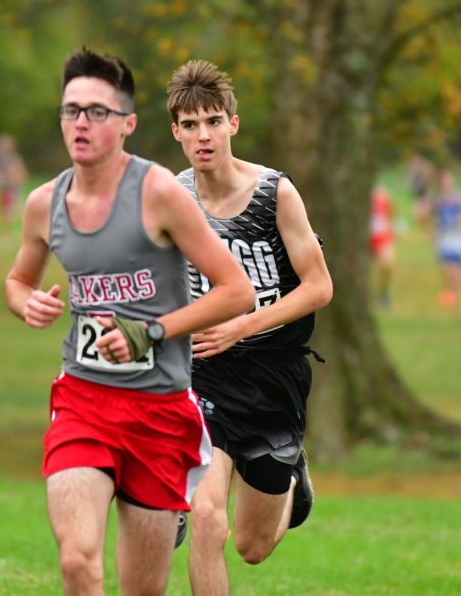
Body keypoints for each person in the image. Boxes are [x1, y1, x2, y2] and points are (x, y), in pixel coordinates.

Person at [4, 48, 254, 595]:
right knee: (77, 560)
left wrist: (153, 330)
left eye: (97, 111)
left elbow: (236, 290)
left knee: (143, 589)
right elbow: (18, 281)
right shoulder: (44, 203)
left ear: (127, 124)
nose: (81, 123)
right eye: (71, 111)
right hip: (83, 401)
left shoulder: (159, 193)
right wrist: (27, 302)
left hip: (159, 411)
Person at [165, 60, 333, 595]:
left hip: (272, 374)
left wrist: (243, 325)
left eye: (213, 122)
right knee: (207, 518)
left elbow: (319, 287)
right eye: (191, 125)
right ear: (176, 132)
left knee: (252, 548)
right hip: (203, 372)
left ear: (233, 124)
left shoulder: (274, 193)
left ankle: (292, 480)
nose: (203, 136)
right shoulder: (173, 196)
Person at [423, 167, 461, 317]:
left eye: (448, 179)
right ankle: (454, 302)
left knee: (460, 273)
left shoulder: (460, 197)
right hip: (443, 238)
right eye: (443, 180)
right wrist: (429, 229)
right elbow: (424, 216)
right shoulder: (436, 199)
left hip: (459, 238)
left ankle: (454, 295)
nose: (445, 183)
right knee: (450, 270)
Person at [0, 132, 27, 244]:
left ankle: (9, 237)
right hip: (3, 190)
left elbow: (21, 173)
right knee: (4, 214)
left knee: (13, 213)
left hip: (12, 189)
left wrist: (15, 179)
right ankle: (5, 237)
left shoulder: (14, 158)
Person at [370, 184, 396, 309]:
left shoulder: (384, 196)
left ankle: (383, 292)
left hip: (383, 236)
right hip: (367, 238)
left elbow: (391, 215)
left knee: (387, 265)